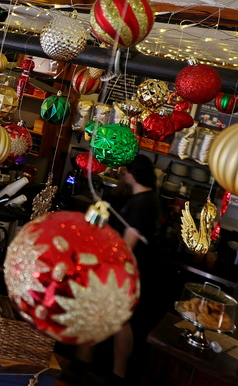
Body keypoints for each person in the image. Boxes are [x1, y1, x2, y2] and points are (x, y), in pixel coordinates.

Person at [74, 154, 161, 385]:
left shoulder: (142, 203)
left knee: (117, 321)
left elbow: (127, 245)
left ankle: (112, 374)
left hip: (125, 270)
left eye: (124, 171)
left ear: (131, 173)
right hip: (131, 270)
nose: (122, 175)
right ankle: (100, 370)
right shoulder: (147, 196)